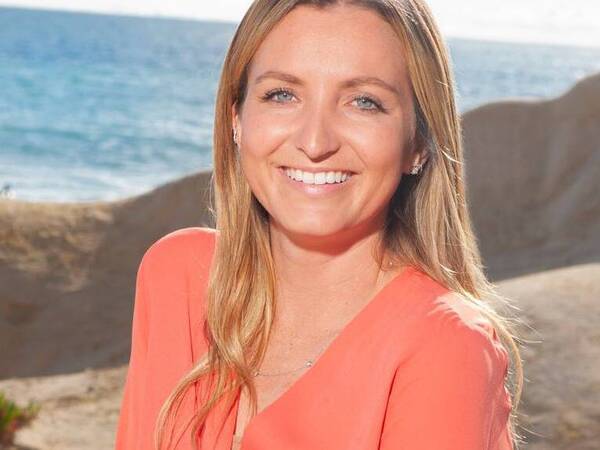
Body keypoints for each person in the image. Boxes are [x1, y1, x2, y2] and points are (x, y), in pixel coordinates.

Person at [115, 1, 525, 449]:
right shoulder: (179, 277)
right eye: (282, 94)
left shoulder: (446, 347)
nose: (314, 142)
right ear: (237, 118)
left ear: (419, 144)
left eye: (364, 102)